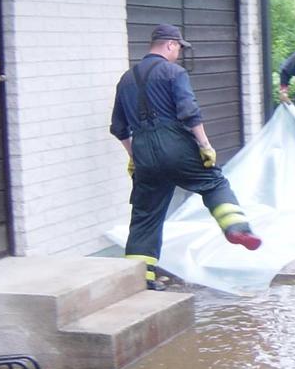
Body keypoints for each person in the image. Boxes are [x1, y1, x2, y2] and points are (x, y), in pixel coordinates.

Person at [110, 24, 262, 290]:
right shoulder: (173, 72)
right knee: (214, 182)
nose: (179, 54)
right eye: (178, 48)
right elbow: (189, 111)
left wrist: (135, 155)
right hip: (176, 145)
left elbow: (119, 127)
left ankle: (141, 280)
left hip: (144, 149)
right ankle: (237, 228)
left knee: (146, 214)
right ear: (170, 45)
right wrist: (204, 145)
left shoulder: (125, 79)